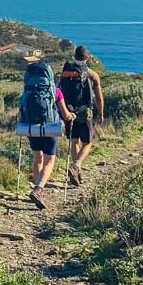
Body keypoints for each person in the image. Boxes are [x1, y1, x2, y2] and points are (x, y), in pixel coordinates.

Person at [59, 45, 104, 186]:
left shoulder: (65, 73)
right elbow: (99, 97)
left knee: (74, 141)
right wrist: (101, 113)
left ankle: (76, 174)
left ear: (75, 56)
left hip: (68, 111)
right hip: (85, 112)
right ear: (87, 57)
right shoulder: (92, 75)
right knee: (88, 142)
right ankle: (76, 165)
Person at [28, 85, 75, 210]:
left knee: (37, 158)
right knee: (49, 160)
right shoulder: (56, 91)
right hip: (49, 129)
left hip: (31, 128)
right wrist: (71, 116)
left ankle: (38, 190)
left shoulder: (28, 90)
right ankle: (39, 189)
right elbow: (65, 115)